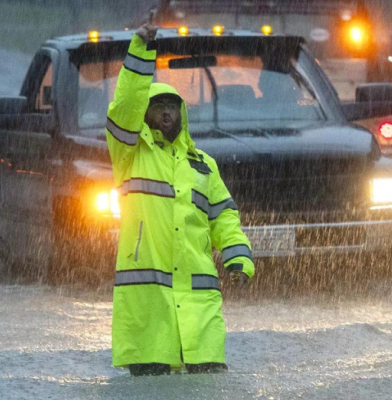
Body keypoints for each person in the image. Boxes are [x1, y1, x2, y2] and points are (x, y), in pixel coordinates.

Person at [105, 23, 255, 376]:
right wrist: (141, 49)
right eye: (158, 106)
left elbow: (224, 217)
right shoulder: (130, 154)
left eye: (173, 105)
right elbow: (124, 103)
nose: (167, 112)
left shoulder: (203, 165)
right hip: (148, 315)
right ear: (144, 113)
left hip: (199, 312)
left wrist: (239, 258)